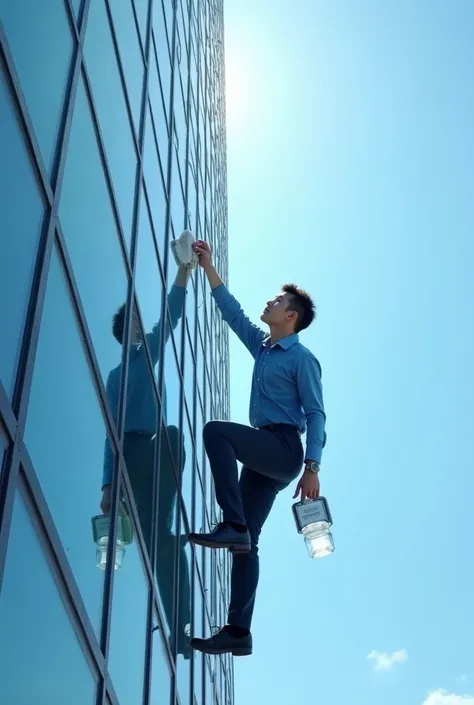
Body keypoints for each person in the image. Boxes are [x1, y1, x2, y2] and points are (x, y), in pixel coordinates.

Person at [188, 240, 326, 657]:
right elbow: (233, 314)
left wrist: (312, 465)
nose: (270, 301)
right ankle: (238, 630)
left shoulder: (301, 358)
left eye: (278, 299)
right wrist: (208, 266)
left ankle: (231, 522)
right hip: (264, 454)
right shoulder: (264, 349)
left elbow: (316, 414)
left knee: (217, 432)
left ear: (291, 316)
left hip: (283, 449)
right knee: (247, 543)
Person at [100, 264, 193, 657]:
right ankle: (141, 523)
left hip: (155, 458)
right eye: (136, 320)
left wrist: (183, 274)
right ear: (129, 330)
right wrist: (108, 485)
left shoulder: (148, 352)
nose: (143, 324)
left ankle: (181, 629)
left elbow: (170, 317)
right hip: (134, 455)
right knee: (160, 541)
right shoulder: (117, 374)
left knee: (165, 545)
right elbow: (111, 432)